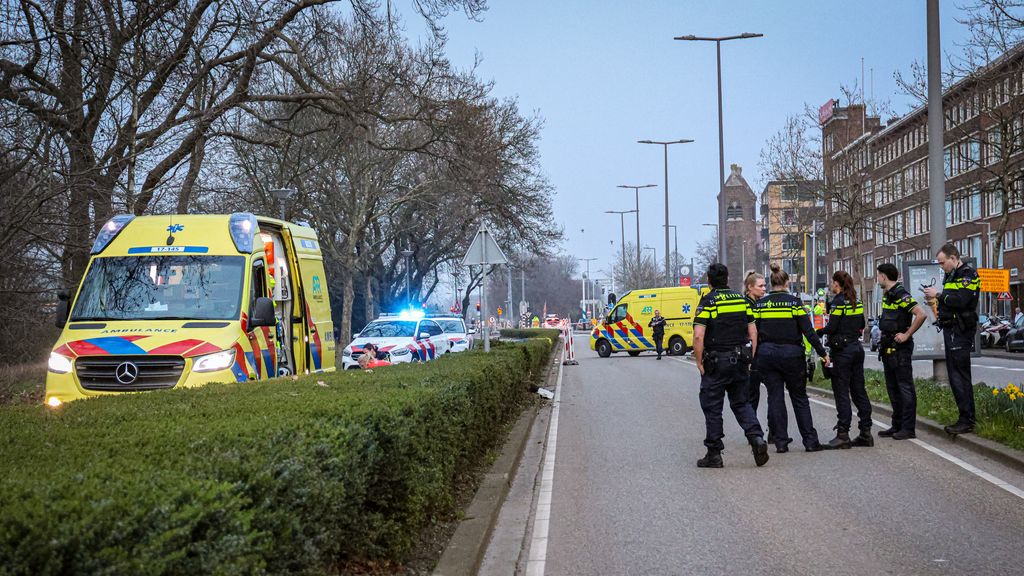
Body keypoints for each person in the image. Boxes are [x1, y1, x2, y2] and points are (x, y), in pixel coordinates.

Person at [693, 263, 769, 469]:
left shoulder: (708, 301)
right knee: (742, 403)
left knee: (712, 407)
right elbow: (753, 332)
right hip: (740, 361)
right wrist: (750, 357)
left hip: (716, 363)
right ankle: (757, 439)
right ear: (727, 279)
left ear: (709, 281)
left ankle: (714, 454)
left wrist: (699, 362)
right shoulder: (740, 300)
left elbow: (699, 335)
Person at [754, 265, 829, 453]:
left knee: (775, 397)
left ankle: (780, 442)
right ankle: (810, 441)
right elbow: (809, 332)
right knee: (799, 398)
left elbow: (752, 332)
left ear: (771, 283)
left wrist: (754, 357)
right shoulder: (795, 303)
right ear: (787, 283)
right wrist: (823, 353)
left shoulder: (761, 304)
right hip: (791, 355)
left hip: (767, 355)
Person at [923, 243, 981, 435]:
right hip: (951, 329)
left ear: (953, 258)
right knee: (954, 375)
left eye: (942, 263)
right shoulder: (951, 275)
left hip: (960, 330)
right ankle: (963, 417)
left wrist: (938, 295)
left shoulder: (968, 275)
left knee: (959, 376)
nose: (941, 267)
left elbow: (961, 300)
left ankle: (967, 420)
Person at [817, 270, 873, 449]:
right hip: (857, 349)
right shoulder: (857, 302)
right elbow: (862, 325)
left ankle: (843, 434)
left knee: (841, 392)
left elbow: (832, 327)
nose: (831, 286)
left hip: (842, 352)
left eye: (832, 283)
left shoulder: (838, 302)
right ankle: (866, 432)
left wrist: (820, 331)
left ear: (836, 284)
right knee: (859, 391)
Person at [876, 263, 927, 440]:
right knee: (893, 388)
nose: (877, 279)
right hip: (889, 346)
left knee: (904, 387)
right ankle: (896, 425)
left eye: (878, 276)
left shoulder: (899, 293)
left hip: (900, 348)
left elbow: (921, 314)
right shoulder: (888, 294)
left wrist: (907, 334)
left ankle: (908, 428)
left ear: (883, 276)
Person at [743, 271, 767, 413]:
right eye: (761, 286)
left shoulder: (759, 303)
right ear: (750, 287)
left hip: (761, 353)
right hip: (751, 354)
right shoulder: (746, 305)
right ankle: (753, 430)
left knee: (757, 393)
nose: (764, 288)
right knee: (752, 394)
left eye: (765, 285)